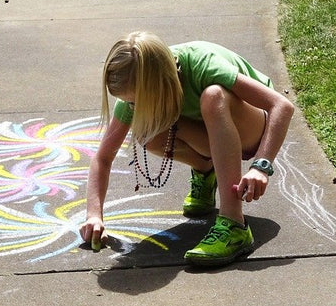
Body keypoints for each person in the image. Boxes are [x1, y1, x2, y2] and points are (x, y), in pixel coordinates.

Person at [80, 31, 294, 266]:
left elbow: (281, 106)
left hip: (252, 128)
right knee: (147, 130)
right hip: (211, 133)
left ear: (159, 84)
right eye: (130, 102)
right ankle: (205, 170)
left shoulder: (203, 64)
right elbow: (103, 158)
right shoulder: (140, 83)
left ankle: (234, 224)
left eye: (137, 101)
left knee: (213, 96)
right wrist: (94, 215)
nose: (133, 107)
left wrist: (261, 167)